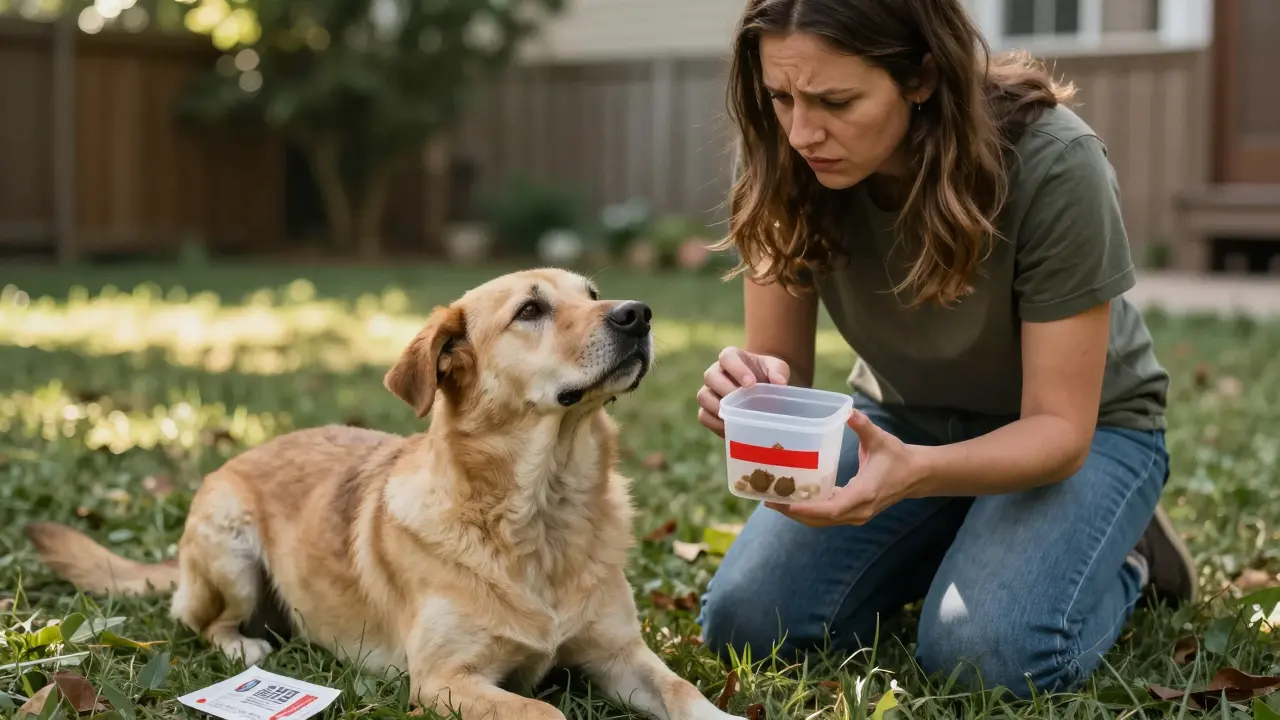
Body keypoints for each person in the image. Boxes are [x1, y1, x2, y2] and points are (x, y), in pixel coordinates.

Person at [693, 0, 1198, 699]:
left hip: (1087, 433)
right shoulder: (787, 155)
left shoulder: (1054, 163)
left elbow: (1058, 428)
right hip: (905, 421)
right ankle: (973, 530)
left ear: (922, 76)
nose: (803, 131)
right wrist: (751, 390)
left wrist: (915, 475)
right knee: (748, 623)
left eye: (836, 100)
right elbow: (785, 373)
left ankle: (1131, 556)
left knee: (983, 656)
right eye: (781, 97)